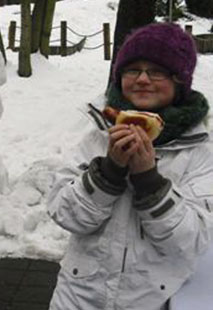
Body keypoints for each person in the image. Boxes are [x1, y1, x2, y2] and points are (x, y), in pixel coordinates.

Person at [47, 22, 213, 310]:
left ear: (179, 80)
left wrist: (150, 181)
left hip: (153, 300)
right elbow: (64, 214)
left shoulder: (200, 151)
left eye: (157, 71)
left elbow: (190, 242)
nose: (142, 79)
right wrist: (108, 173)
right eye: (132, 69)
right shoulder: (96, 135)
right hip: (76, 299)